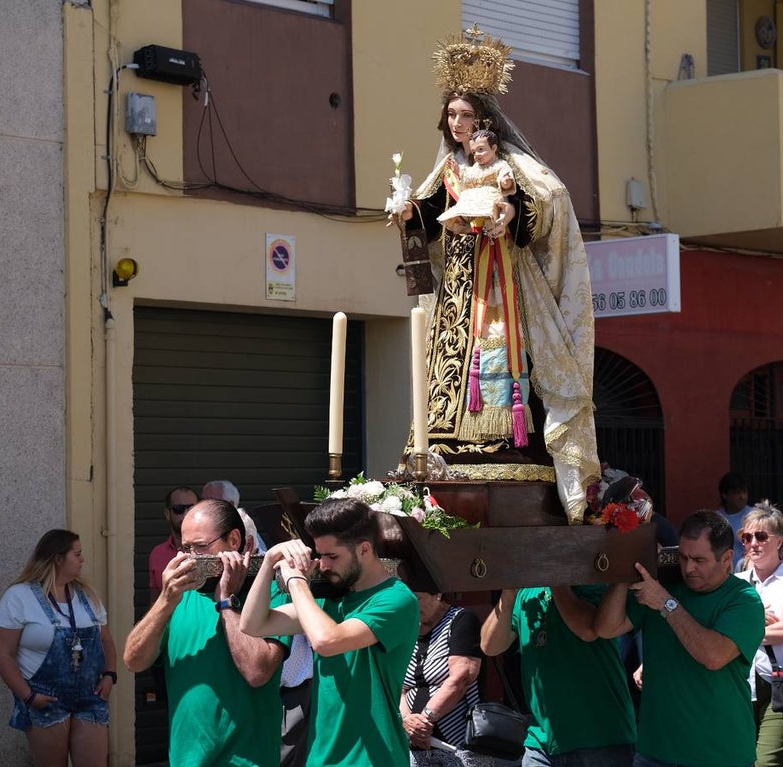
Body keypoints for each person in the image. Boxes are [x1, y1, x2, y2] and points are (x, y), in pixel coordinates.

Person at [396, 27, 600, 523]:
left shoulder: (513, 165)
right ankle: (440, 439)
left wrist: (510, 213)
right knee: (446, 359)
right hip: (458, 290)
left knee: (499, 352)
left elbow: (545, 202)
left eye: (466, 115)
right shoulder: (449, 169)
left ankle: (504, 435)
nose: (457, 123)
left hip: (501, 284)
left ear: (484, 121)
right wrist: (407, 211)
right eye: (451, 114)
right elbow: (430, 213)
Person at [240, 496, 420, 766]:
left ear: (364, 549)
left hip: (371, 758)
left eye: (332, 556)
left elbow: (327, 641)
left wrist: (297, 582)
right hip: (321, 757)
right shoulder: (332, 598)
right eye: (320, 555)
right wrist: (269, 563)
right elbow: (253, 624)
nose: (323, 565)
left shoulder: (396, 598)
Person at [123, 499, 290, 766]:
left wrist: (226, 602)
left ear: (234, 540)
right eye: (185, 548)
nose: (190, 558)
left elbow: (257, 671)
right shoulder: (181, 595)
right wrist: (165, 600)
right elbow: (134, 660)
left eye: (200, 547)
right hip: (185, 760)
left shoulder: (271, 590)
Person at [596, 510, 766, 767]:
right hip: (655, 753)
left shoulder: (744, 600)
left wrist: (666, 604)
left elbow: (713, 656)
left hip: (719, 756)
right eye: (683, 557)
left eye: (699, 560)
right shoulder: (663, 587)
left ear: (727, 558)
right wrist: (626, 572)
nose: (688, 568)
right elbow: (606, 629)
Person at [0, 529, 116, 767]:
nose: (82, 560)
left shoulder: (86, 596)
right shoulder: (19, 597)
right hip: (46, 699)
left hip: (90, 696)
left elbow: (106, 640)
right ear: (58, 558)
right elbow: (3, 654)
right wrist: (29, 696)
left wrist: (110, 675)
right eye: (77, 554)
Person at [481, 585, 636, 767]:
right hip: (540, 740)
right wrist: (508, 596)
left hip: (600, 738)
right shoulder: (526, 593)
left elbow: (588, 631)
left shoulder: (596, 582)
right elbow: (490, 647)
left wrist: (554, 579)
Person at [737, 503, 783, 767]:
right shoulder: (737, 582)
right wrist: (759, 622)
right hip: (741, 685)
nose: (753, 544)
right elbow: (719, 629)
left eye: (761, 536)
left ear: (779, 541)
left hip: (779, 687)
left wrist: (743, 630)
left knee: (765, 763)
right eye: (746, 537)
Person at [403, 590, 492, 767]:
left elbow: (461, 678)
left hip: (458, 744)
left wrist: (425, 721)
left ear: (437, 595)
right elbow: (398, 684)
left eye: (417, 598)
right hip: (415, 745)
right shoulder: (408, 628)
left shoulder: (461, 619)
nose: (411, 605)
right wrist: (407, 720)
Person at [436, 128, 516, 228]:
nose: (477, 155)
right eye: (473, 152)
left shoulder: (500, 164)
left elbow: (504, 176)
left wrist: (505, 182)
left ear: (494, 148)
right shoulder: (476, 167)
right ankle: (463, 222)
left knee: (492, 205)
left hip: (490, 194)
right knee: (466, 199)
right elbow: (469, 178)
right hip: (474, 195)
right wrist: (458, 172)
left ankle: (491, 224)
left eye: (481, 149)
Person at [149, 485, 197, 593]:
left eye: (192, 509)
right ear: (167, 514)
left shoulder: (211, 548)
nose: (186, 514)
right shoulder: (157, 554)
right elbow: (156, 599)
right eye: (178, 509)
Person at [715, 472, 754, 570]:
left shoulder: (754, 516)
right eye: (737, 493)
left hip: (747, 572)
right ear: (724, 494)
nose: (742, 497)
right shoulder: (715, 520)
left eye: (744, 492)